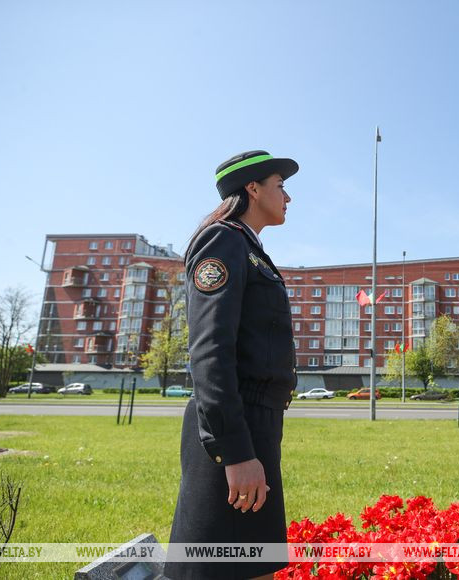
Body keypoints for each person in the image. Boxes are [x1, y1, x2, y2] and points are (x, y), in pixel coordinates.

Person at [165, 150, 299, 580]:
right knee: (217, 570)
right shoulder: (222, 240)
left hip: (256, 423)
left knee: (252, 567)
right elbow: (210, 350)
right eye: (280, 185)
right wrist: (236, 452)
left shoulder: (250, 248)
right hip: (231, 426)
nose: (288, 197)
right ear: (253, 189)